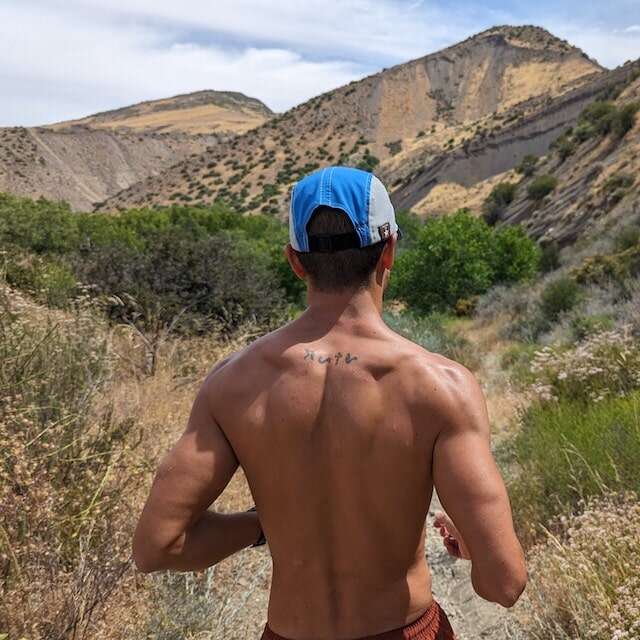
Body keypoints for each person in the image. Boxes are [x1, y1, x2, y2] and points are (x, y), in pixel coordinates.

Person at [132, 166, 527, 640]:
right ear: (389, 252)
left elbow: (157, 546)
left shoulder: (232, 383)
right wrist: (472, 548)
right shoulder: (440, 386)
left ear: (296, 262)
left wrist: (264, 526)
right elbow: (504, 583)